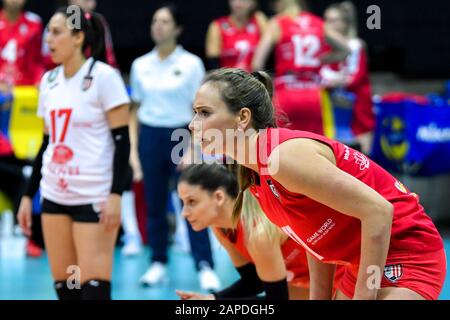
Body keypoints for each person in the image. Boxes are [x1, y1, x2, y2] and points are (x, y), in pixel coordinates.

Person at [189, 67, 446, 300]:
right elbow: (315, 242)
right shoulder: (255, 174)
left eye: (204, 113)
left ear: (242, 117)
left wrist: (364, 297)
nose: (192, 125)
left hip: (407, 252)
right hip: (360, 262)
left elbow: (379, 211)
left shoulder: (282, 157)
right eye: (195, 113)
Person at [17, 6, 131, 300]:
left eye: (56, 33)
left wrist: (116, 195)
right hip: (55, 195)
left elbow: (123, 142)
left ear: (78, 37)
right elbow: (46, 144)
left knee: (92, 289)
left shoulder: (104, 77)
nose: (49, 40)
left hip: (94, 196)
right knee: (66, 287)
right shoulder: (49, 81)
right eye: (47, 33)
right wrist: (28, 197)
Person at [129, 3, 220, 291]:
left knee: (193, 199)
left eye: (165, 21)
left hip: (182, 133)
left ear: (177, 28)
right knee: (154, 202)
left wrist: (194, 146)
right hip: (150, 136)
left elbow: (203, 108)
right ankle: (157, 262)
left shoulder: (192, 64)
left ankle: (204, 265)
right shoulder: (140, 65)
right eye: (155, 20)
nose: (158, 26)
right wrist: (133, 150)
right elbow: (135, 110)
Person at [176, 163, 309, 300]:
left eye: (192, 202)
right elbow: (254, 281)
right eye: (183, 203)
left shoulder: (257, 232)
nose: (183, 213)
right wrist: (212, 298)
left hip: (328, 282)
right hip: (307, 286)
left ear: (219, 197)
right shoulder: (220, 228)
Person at [252, 0, 350, 136]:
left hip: (286, 93)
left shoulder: (277, 22)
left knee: (280, 144)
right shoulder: (318, 22)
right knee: (317, 144)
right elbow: (345, 49)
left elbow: (257, 63)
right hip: (314, 95)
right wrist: (320, 60)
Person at [0, 0, 45, 256]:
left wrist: (39, 80)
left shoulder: (35, 24)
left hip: (26, 108)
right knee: (15, 172)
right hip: (2, 110)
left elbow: (40, 61)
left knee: (31, 170)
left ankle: (30, 234)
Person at [321, 1, 375, 154]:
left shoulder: (355, 45)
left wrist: (332, 80)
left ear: (345, 23)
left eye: (332, 20)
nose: (326, 24)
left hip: (357, 104)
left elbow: (354, 78)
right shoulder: (323, 47)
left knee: (362, 155)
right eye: (325, 20)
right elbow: (318, 74)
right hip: (331, 103)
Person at [205, 0, 267, 71]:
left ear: (253, 3)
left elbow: (270, 51)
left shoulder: (259, 21)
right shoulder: (217, 26)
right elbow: (213, 62)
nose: (238, 4)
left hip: (254, 78)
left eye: (244, 1)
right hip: (227, 79)